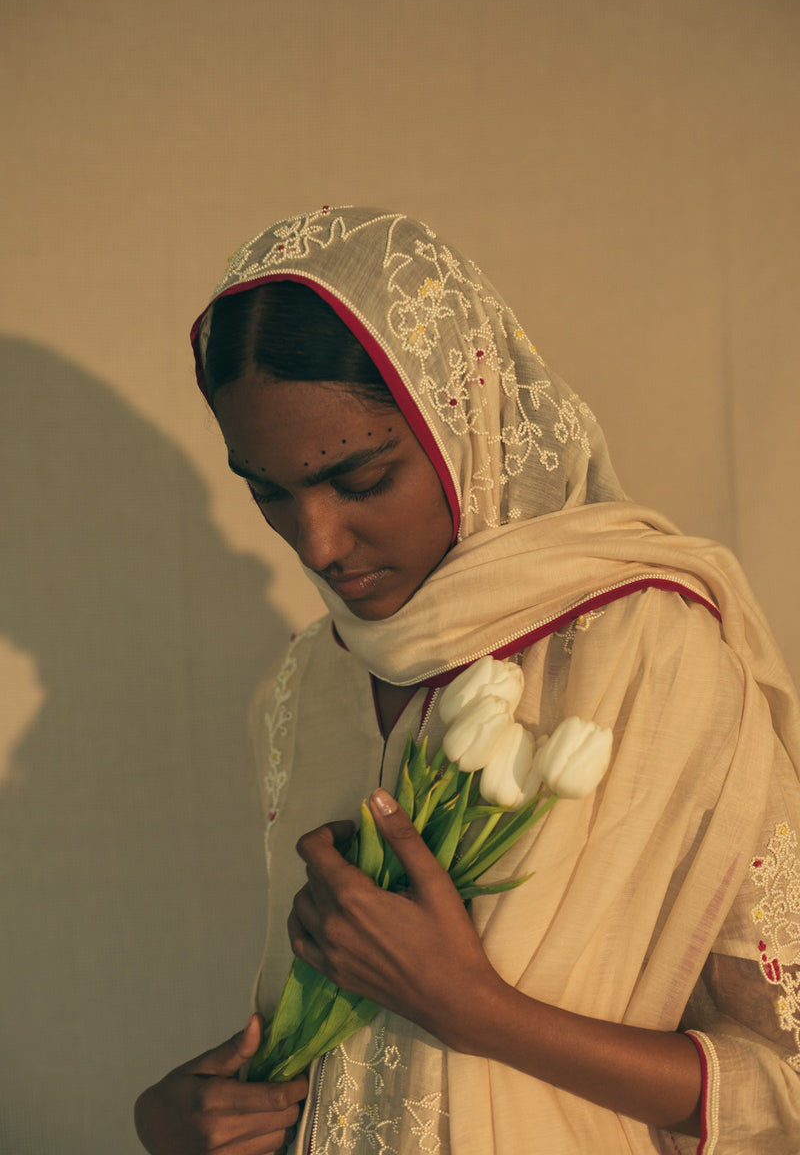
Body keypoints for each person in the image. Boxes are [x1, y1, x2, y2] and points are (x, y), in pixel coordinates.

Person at [135, 206, 800, 1154]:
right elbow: (362, 1066)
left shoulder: (649, 653)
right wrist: (181, 1116)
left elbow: (786, 1079)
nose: (316, 545)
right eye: (269, 491)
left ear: (463, 417)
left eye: (361, 480)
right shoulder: (301, 690)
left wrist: (481, 1012)